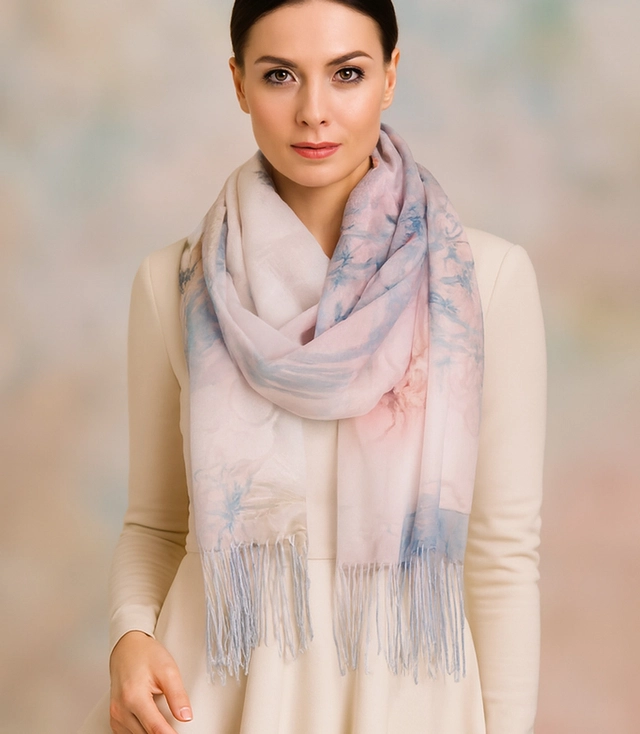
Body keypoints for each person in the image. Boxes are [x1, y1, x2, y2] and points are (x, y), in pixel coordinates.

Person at [79, 1, 547, 732]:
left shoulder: (482, 282)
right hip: (214, 695)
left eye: (347, 74)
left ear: (390, 76)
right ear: (239, 83)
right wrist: (130, 634)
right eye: (280, 76)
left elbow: (502, 556)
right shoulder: (174, 284)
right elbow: (156, 526)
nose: (313, 112)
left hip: (405, 700)